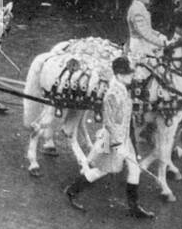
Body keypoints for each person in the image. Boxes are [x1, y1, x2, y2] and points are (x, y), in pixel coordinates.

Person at [64, 56, 155, 219]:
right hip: (111, 139)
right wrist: (118, 145)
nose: (131, 76)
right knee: (101, 170)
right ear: (119, 75)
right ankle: (72, 191)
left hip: (124, 138)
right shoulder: (113, 93)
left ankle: (134, 207)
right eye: (128, 74)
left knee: (134, 169)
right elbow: (110, 122)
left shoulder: (123, 89)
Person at [126, 0, 167, 64]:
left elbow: (147, 29)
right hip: (139, 46)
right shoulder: (136, 10)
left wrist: (158, 35)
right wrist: (161, 43)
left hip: (143, 43)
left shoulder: (140, 7)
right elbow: (144, 33)